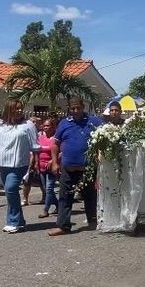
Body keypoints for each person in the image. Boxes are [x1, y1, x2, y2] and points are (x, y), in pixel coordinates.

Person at [0, 100, 38, 233]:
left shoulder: (28, 125)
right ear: (8, 110)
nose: (19, 111)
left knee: (11, 189)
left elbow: (34, 146)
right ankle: (20, 221)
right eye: (16, 108)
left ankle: (13, 221)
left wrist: (35, 162)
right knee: (10, 193)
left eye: (20, 108)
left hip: (19, 164)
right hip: (2, 164)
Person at [48, 98, 102, 236]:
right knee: (65, 198)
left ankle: (93, 221)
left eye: (78, 108)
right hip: (68, 169)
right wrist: (54, 162)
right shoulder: (64, 123)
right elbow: (55, 145)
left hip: (88, 169)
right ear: (69, 109)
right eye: (73, 108)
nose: (76, 111)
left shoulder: (94, 121)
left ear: (83, 107)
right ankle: (63, 226)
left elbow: (104, 139)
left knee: (91, 197)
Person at [37, 118, 59, 218]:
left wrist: (52, 161)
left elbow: (61, 152)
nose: (45, 127)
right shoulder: (40, 137)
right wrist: (35, 163)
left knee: (49, 188)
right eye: (44, 126)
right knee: (46, 189)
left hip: (51, 168)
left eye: (48, 126)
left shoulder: (56, 138)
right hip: (41, 166)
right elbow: (36, 151)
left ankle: (45, 210)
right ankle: (58, 205)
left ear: (52, 127)